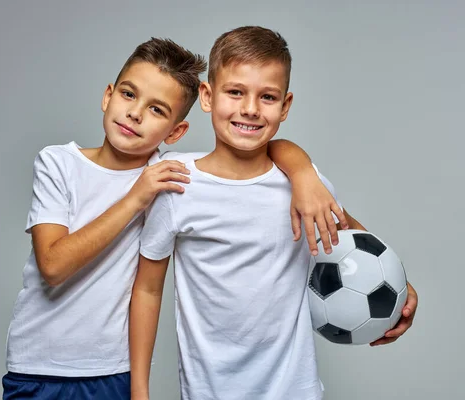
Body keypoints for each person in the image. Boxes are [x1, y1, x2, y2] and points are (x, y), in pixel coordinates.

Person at [3, 36, 346, 400]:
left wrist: (302, 169)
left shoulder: (171, 177)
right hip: (39, 364)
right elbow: (54, 265)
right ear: (108, 95)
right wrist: (136, 196)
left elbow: (259, 151)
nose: (135, 114)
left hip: (114, 368)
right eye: (129, 95)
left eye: (157, 110)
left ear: (176, 131)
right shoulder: (77, 166)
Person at [130, 26, 418, 400]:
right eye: (235, 91)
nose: (250, 108)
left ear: (285, 106)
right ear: (207, 95)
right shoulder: (177, 184)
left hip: (295, 390)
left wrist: (398, 285)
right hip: (209, 392)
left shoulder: (303, 186)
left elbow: (354, 240)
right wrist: (139, 390)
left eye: (267, 97)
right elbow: (148, 289)